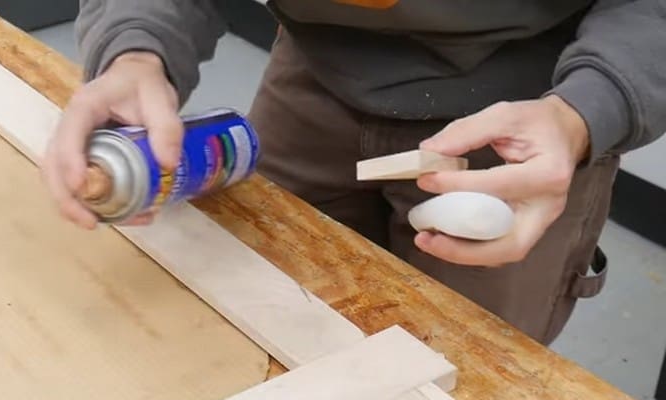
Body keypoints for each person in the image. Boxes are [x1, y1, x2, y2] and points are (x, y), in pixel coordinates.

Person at [40, 0, 666, 345]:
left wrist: (586, 112)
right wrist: (135, 45)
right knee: (241, 309)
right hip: (317, 60)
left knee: (468, 367)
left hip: (527, 108)